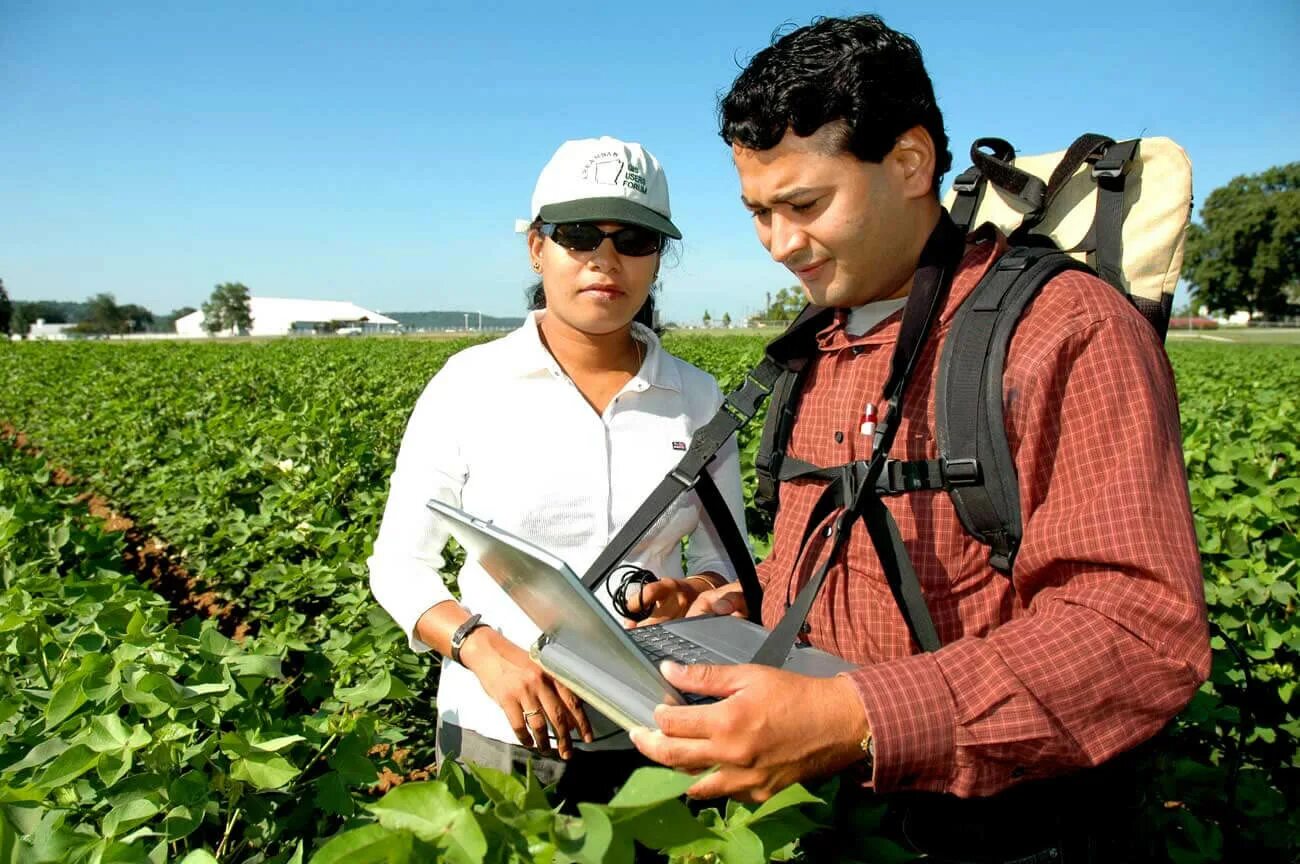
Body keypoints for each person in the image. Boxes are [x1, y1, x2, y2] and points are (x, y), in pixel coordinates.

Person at [630, 15, 1210, 861]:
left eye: (805, 204)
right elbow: (839, 568)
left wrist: (858, 717)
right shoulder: (817, 347)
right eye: (758, 211)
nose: (780, 244)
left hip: (1003, 832)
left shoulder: (1065, 331)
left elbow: (1137, 632)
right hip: (825, 820)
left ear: (909, 162)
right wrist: (744, 613)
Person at [367, 135, 747, 805]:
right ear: (536, 246)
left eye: (634, 240)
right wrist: (481, 649)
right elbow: (398, 565)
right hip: (500, 731)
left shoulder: (698, 398)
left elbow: (727, 561)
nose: (606, 261)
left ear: (659, 259)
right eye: (579, 236)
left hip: (657, 730)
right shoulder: (469, 385)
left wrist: (686, 595)